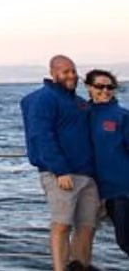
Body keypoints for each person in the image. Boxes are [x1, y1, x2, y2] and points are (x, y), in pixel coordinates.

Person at [22, 55, 100, 271]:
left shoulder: (79, 103)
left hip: (88, 175)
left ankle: (80, 266)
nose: (71, 75)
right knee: (62, 224)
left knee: (87, 228)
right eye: (65, 71)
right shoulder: (44, 99)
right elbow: (41, 135)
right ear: (53, 73)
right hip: (61, 175)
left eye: (73, 71)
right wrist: (60, 170)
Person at [86, 69, 129, 259]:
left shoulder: (122, 116)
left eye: (109, 86)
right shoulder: (80, 115)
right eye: (99, 86)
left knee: (125, 240)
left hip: (122, 188)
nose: (105, 90)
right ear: (88, 87)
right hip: (92, 189)